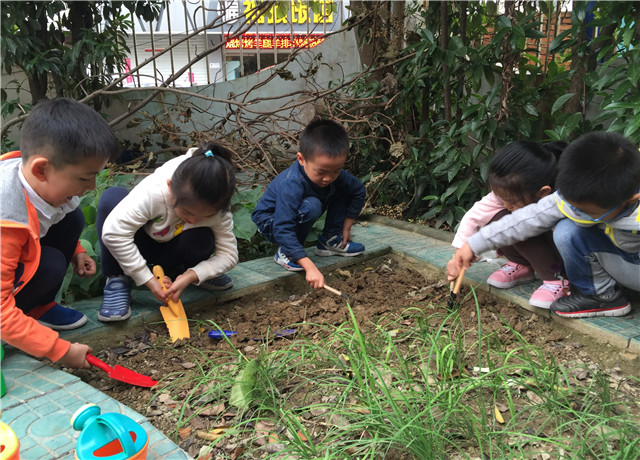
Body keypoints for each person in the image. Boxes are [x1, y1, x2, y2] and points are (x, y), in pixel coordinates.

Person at [452, 131, 640, 318]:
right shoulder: (574, 197)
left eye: (587, 212)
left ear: (631, 199)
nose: (576, 213)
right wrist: (471, 245)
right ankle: (602, 296)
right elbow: (523, 221)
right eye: (573, 206)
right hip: (621, 258)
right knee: (567, 230)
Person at [1, 98, 121, 369]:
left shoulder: (36, 180)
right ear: (41, 169)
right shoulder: (6, 218)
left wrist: (77, 250)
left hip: (20, 250)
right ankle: (23, 318)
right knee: (51, 263)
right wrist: (60, 350)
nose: (92, 186)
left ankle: (38, 306)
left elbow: (47, 220)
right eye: (84, 178)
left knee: (72, 217)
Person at [97, 142, 239, 322]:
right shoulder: (155, 192)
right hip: (141, 244)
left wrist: (194, 274)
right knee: (112, 198)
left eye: (205, 216)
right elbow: (114, 233)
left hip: (174, 249)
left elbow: (229, 254)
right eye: (187, 212)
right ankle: (117, 279)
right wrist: (147, 278)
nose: (193, 220)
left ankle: (200, 272)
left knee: (202, 235)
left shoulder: (219, 208)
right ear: (170, 188)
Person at [447, 141, 568, 309]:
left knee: (520, 223)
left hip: (568, 253)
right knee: (497, 216)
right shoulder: (515, 191)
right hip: (540, 233)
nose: (505, 204)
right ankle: (521, 264)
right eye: (501, 197)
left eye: (511, 201)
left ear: (543, 192)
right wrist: (461, 253)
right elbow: (475, 216)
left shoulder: (566, 198)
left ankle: (557, 278)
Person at [251, 119, 366, 289]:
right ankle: (286, 253)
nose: (328, 177)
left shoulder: (331, 175)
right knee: (312, 206)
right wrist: (309, 266)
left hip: (294, 215)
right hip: (271, 222)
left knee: (343, 188)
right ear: (301, 159)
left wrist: (346, 227)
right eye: (321, 172)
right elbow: (282, 227)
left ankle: (330, 240)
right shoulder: (292, 183)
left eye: (336, 170)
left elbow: (358, 190)